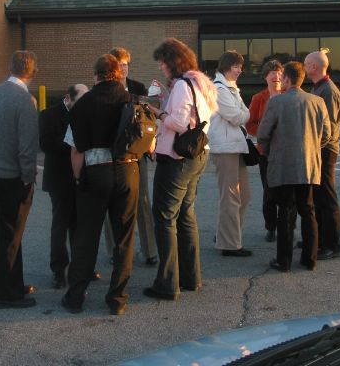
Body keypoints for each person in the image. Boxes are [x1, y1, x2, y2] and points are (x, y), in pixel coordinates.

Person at [61, 54, 138, 316]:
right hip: (128, 170)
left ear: (96, 75)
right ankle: (117, 298)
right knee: (124, 238)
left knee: (87, 236)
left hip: (95, 172)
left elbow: (76, 149)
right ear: (118, 73)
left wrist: (78, 178)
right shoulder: (130, 99)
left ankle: (75, 297)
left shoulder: (83, 104)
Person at [143, 38, 217, 300]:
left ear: (173, 61)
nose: (160, 66)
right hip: (197, 155)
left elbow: (180, 122)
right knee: (185, 215)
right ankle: (190, 277)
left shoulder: (183, 86)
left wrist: (158, 113)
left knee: (164, 217)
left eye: (162, 61)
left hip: (177, 158)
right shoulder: (198, 83)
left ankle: (167, 284)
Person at [257, 61, 331, 272]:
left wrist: (270, 151)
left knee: (286, 211)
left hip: (283, 166)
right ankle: (310, 259)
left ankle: (284, 260)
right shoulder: (317, 102)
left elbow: (262, 134)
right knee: (308, 211)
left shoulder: (276, 102)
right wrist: (311, 149)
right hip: (308, 166)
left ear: (287, 79)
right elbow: (326, 135)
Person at [0, 50, 39, 309]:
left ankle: (11, 283)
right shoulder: (25, 101)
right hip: (12, 177)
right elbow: (27, 147)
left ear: (9, 68)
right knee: (11, 235)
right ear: (33, 72)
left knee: (3, 233)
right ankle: (6, 294)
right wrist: (28, 177)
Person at [39, 83, 101, 289]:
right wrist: (74, 144)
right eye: (80, 101)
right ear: (68, 98)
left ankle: (81, 267)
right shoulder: (49, 115)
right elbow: (46, 143)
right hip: (59, 179)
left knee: (80, 226)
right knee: (60, 225)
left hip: (81, 177)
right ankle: (58, 270)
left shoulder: (87, 114)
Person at [103, 47, 158, 266]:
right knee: (111, 204)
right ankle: (114, 251)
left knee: (142, 200)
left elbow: (148, 116)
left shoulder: (138, 88)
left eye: (126, 64)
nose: (123, 68)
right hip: (112, 154)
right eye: (119, 65)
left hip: (136, 153)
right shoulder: (104, 89)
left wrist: (151, 141)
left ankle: (149, 250)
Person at [208, 50, 252, 257]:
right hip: (225, 148)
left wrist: (243, 113)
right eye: (236, 66)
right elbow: (237, 116)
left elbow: (243, 113)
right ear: (226, 66)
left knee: (243, 195)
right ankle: (229, 244)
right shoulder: (219, 89)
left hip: (236, 147)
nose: (239, 70)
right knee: (231, 197)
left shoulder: (231, 88)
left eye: (240, 67)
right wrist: (244, 113)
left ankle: (226, 236)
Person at [304, 49, 340, 259]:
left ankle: (332, 244)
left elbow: (329, 127)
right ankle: (319, 239)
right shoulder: (317, 87)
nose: (303, 67)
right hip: (317, 150)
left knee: (327, 198)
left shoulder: (328, 91)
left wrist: (315, 146)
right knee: (318, 197)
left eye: (306, 63)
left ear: (314, 66)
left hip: (325, 151)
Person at [247, 60, 283, 242]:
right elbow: (250, 123)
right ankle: (271, 226)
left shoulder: (289, 95)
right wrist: (263, 133)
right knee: (269, 193)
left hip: (286, 153)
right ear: (265, 77)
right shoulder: (258, 98)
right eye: (272, 73)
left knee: (287, 193)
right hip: (265, 153)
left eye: (279, 72)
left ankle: (287, 226)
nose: (276, 76)